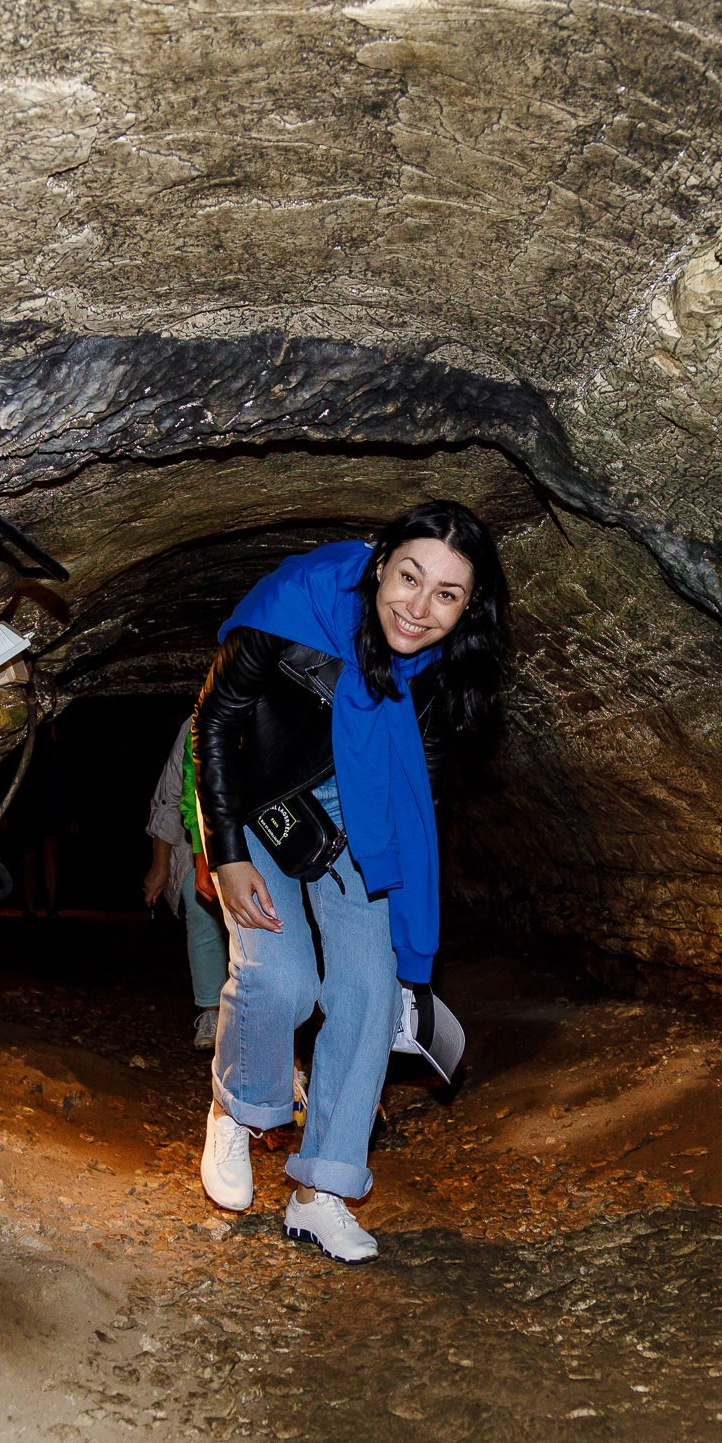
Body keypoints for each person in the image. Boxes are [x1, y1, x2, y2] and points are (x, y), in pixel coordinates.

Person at [189, 500, 509, 1263]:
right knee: (283, 978)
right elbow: (215, 721)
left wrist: (405, 902)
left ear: (468, 608)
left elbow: (424, 781)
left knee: (370, 993)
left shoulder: (447, 668)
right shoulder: (297, 604)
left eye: (447, 594)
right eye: (410, 577)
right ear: (380, 564)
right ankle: (238, 1106)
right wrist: (226, 850)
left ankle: (321, 1192)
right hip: (263, 804)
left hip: (364, 821)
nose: (419, 607)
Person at [142, 716, 226, 1048]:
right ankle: (211, 1010)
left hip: (259, 839)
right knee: (200, 906)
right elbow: (172, 796)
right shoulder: (197, 721)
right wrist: (159, 866)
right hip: (201, 843)